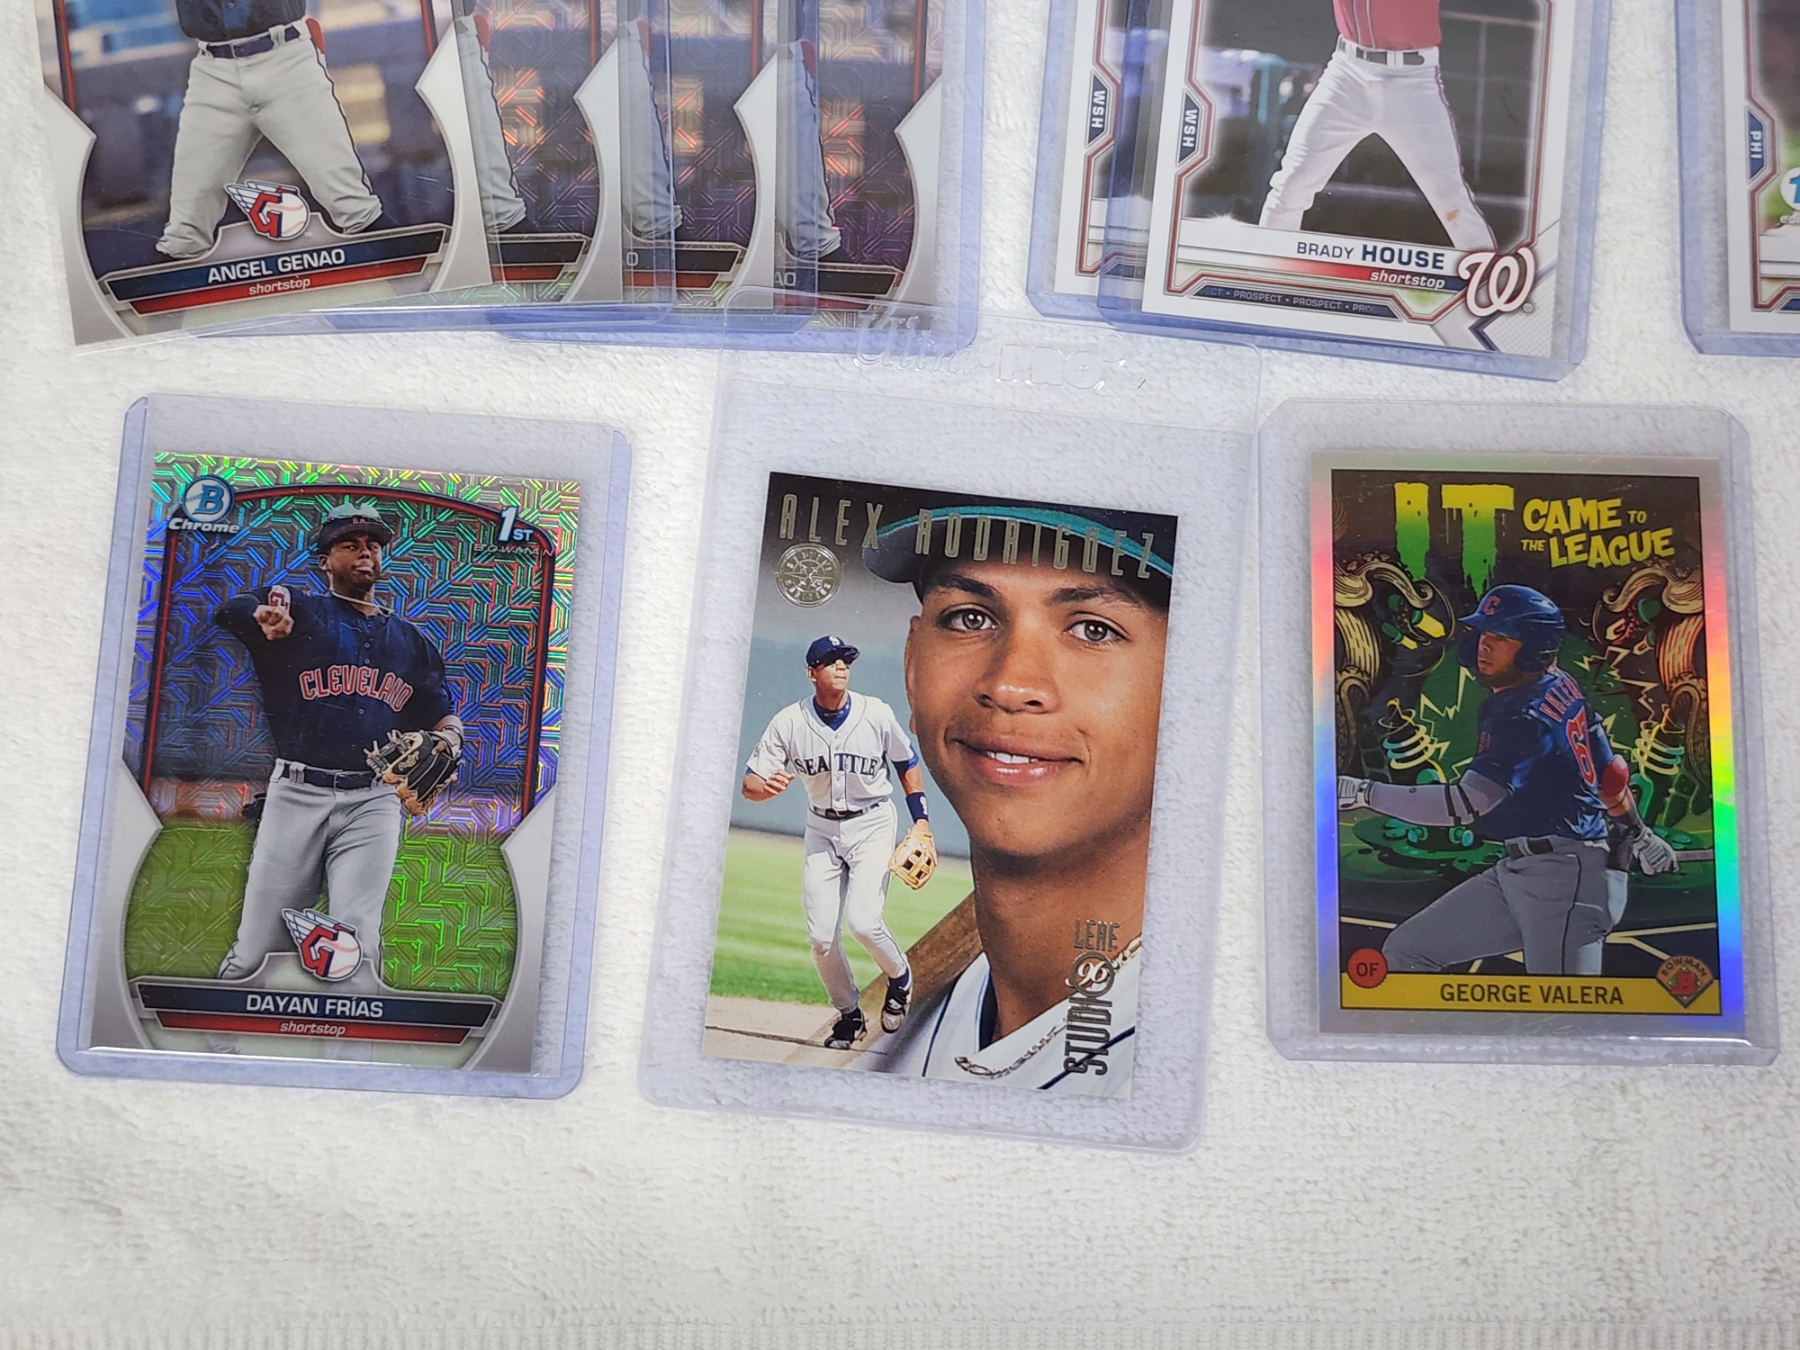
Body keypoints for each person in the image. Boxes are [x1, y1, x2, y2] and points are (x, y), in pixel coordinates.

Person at [860, 501, 1176, 1094]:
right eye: (970, 618)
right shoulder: (893, 1040)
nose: (1008, 685)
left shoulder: (1207, 1068)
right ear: (912, 668)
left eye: (1093, 629)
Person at [1337, 584, 1679, 976]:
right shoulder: (1559, 684)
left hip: (1565, 880)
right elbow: (1610, 776)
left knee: (1564, 1006)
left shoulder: (1523, 714)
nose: (1484, 645)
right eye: (1485, 633)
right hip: (1525, 871)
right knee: (1408, 950)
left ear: (1535, 647)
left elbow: (1464, 805)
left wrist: (1365, 792)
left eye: (1502, 637)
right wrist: (1638, 833)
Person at [212, 502, 464, 989]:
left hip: (374, 799)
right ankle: (217, 1032)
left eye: (373, 545)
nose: (365, 552)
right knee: (259, 947)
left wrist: (451, 735)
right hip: (297, 792)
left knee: (357, 946)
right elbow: (231, 609)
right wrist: (263, 618)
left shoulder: (409, 640)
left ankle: (354, 1037)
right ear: (325, 560)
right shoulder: (301, 610)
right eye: (350, 545)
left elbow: (439, 709)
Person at [742, 635, 924, 1047]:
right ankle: (850, 1015)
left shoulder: (875, 713)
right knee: (821, 939)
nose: (841, 666)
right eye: (831, 661)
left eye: (846, 660)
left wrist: (922, 823)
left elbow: (907, 761)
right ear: (812, 672)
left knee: (864, 922)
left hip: (872, 823)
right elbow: (750, 783)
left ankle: (899, 977)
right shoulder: (789, 722)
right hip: (821, 830)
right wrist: (763, 790)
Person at [156, 0, 389, 259]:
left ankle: (407, 277)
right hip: (213, 70)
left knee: (354, 207)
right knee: (184, 236)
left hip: (285, 58)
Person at [1258, 0, 1496, 252]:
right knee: (1290, 187)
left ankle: (1490, 273)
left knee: (1450, 199)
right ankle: (1266, 268)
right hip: (1347, 73)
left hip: (1412, 79)